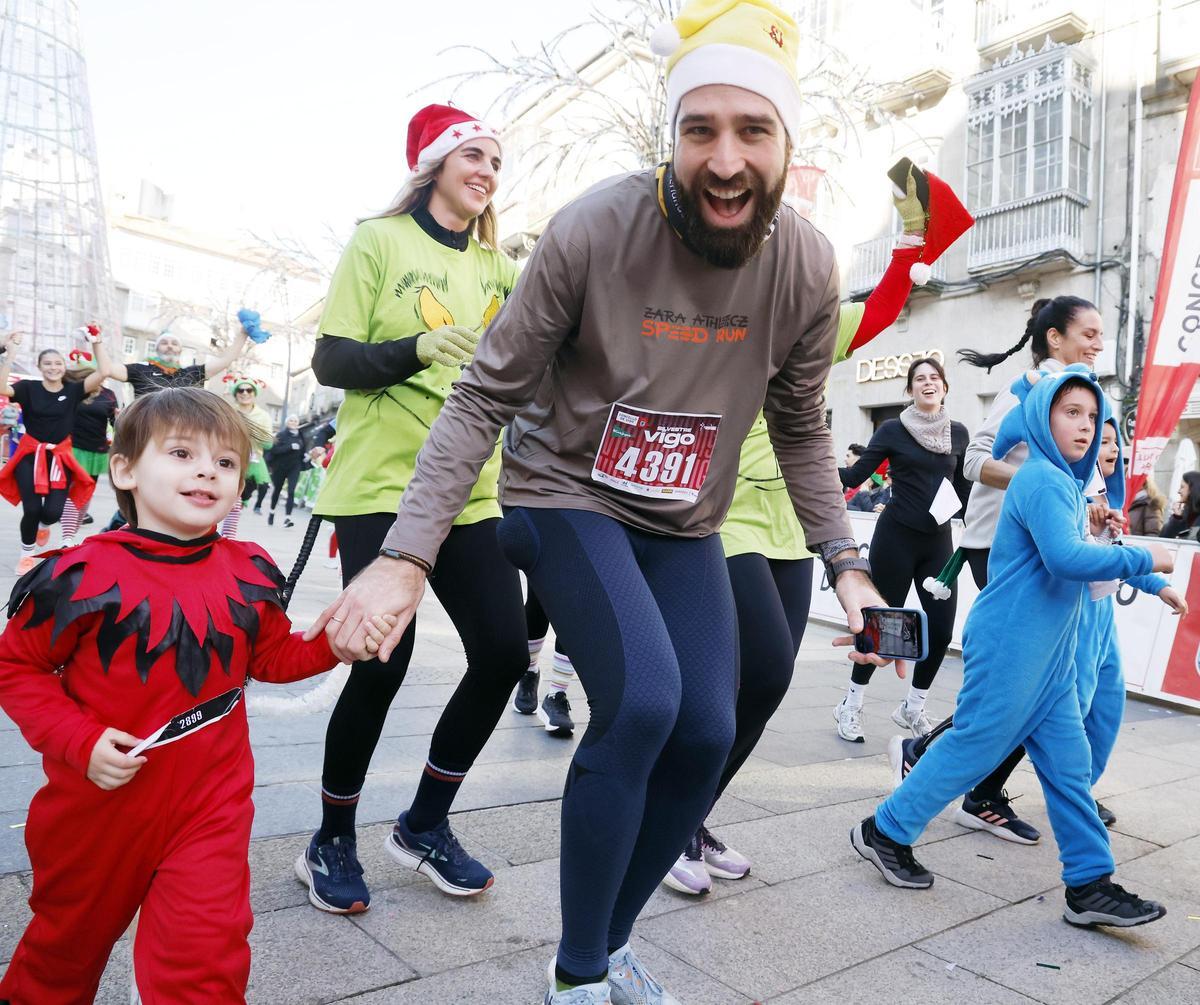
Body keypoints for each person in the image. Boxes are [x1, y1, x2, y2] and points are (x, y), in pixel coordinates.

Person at [306, 5, 906, 1000]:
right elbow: (483, 398)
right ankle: (578, 976)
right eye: (698, 129)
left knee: (711, 726)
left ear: (786, 144)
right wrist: (406, 560)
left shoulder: (805, 263)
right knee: (646, 700)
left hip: (684, 522)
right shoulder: (592, 229)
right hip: (564, 492)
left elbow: (799, 427)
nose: (724, 159)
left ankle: (608, 944)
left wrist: (848, 567)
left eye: (752, 131)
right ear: (670, 137)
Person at [0, 386, 394, 1001]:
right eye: (181, 453)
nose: (207, 470)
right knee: (61, 955)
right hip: (94, 813)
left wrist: (333, 647)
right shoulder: (75, 574)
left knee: (205, 963)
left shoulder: (251, 570)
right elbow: (17, 670)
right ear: (125, 469)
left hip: (212, 805)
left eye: (226, 462)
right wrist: (78, 740)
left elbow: (269, 656)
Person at [664, 159, 975, 896]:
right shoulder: (709, 312)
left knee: (767, 684)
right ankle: (666, 819)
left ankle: (691, 816)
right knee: (753, 665)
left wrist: (909, 238)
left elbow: (886, 307)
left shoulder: (811, 327)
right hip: (720, 515)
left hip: (787, 523)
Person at [296, 102, 527, 917]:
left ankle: (425, 822)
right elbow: (330, 358)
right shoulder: (377, 240)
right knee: (381, 661)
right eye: (473, 154)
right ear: (434, 164)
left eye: (497, 162)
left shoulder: (501, 267)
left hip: (472, 489)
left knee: (503, 650)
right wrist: (417, 348)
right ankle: (330, 835)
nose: (487, 172)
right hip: (381, 484)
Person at [853, 366, 1171, 929]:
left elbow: (1084, 557)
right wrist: (1149, 561)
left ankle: (1090, 885)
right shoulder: (1043, 478)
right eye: (1071, 413)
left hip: (1048, 656)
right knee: (973, 746)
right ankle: (884, 831)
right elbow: (1068, 561)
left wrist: (1145, 575)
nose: (1085, 426)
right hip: (1012, 645)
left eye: (1092, 417)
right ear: (1041, 418)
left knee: (1070, 769)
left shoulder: (1067, 485)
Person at [896, 295, 1107, 845]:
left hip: (1047, 546)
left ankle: (958, 769)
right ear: (1054, 338)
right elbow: (972, 461)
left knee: (1053, 687)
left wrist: (1084, 504)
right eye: (1089, 332)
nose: (1099, 342)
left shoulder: (1078, 396)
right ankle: (952, 791)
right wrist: (1040, 490)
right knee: (1022, 688)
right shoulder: (1031, 392)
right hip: (1003, 548)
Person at [834, 356, 970, 742]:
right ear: (909, 389)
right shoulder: (894, 429)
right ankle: (851, 704)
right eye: (919, 379)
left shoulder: (958, 433)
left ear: (944, 387)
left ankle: (912, 707)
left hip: (938, 541)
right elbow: (857, 476)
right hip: (895, 537)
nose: (928, 383)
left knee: (941, 630)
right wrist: (814, 463)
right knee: (879, 630)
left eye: (934, 378)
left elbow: (964, 489)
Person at [0, 330, 111, 574]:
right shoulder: (28, 388)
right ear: (40, 367)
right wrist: (10, 353)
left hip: (60, 458)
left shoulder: (73, 390)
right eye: (47, 363)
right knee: (31, 508)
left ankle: (43, 524)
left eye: (58, 363)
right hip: (30, 456)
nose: (53, 367)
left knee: (52, 512)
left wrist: (96, 342)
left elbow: (103, 372)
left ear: (64, 367)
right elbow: (2, 387)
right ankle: (26, 554)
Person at [58, 347, 120, 547]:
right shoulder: (72, 390)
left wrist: (120, 419)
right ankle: (67, 540)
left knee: (85, 496)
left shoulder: (109, 395)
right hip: (71, 448)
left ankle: (71, 533)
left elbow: (114, 422)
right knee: (71, 493)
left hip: (97, 451)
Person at [107, 327, 248, 398]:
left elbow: (225, 360)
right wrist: (97, 341)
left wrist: (243, 334)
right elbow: (107, 369)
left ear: (180, 350)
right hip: (145, 434)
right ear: (156, 349)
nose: (169, 346)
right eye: (164, 343)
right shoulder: (141, 369)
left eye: (174, 343)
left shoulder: (192, 373)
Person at [219, 378, 273, 538]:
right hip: (229, 459)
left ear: (254, 394)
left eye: (248, 390)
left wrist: (250, 431)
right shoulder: (228, 411)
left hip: (252, 464)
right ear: (236, 394)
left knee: (237, 503)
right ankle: (215, 535)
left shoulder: (263, 416)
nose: (244, 393)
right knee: (222, 499)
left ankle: (228, 539)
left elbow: (269, 444)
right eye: (240, 390)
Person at [265, 414, 306, 527]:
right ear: (287, 423)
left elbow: (303, 451)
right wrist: (289, 447)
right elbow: (274, 450)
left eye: (295, 421)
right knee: (277, 490)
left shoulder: (301, 435)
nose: (293, 422)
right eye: (291, 421)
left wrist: (306, 457)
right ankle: (272, 512)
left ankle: (288, 518)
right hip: (281, 466)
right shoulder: (281, 435)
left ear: (298, 423)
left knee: (291, 491)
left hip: (295, 467)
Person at [1159, 470, 1200, 539]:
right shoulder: (1184, 514)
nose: (1179, 491)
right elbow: (1164, 539)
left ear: (1193, 489)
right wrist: (1177, 518)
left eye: (1182, 487)